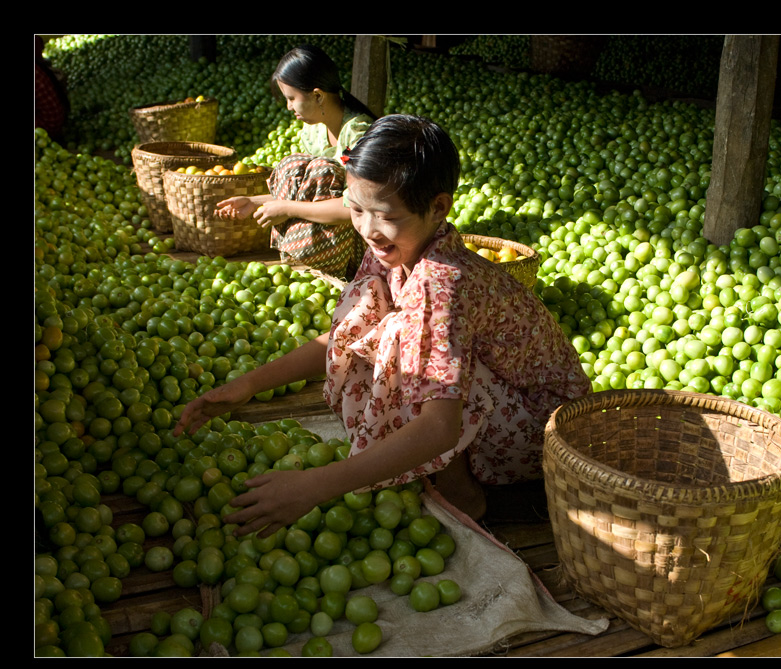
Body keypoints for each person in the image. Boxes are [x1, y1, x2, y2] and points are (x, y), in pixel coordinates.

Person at [174, 114, 591, 536]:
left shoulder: (440, 282)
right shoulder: (397, 245)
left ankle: (466, 493)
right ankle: (428, 467)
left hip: (542, 431)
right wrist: (248, 385)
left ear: (438, 208)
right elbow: (348, 335)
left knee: (402, 343)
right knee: (381, 325)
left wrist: (315, 485)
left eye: (385, 215)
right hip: (498, 403)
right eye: (356, 210)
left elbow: (439, 427)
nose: (369, 230)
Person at [215, 45, 375, 278]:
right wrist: (253, 202)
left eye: (291, 98)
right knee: (297, 168)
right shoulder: (312, 132)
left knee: (314, 168)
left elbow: (355, 205)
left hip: (364, 239)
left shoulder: (357, 134)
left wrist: (287, 208)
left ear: (318, 95)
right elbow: (306, 193)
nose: (288, 107)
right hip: (333, 237)